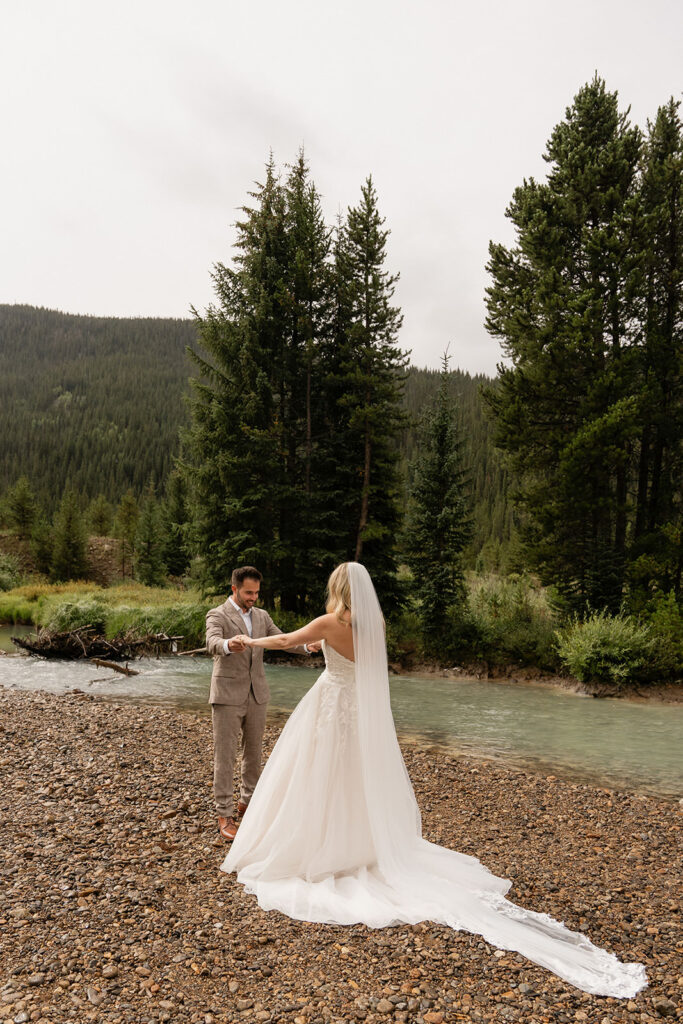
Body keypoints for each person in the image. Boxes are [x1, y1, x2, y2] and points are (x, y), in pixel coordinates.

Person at [221, 561, 647, 998]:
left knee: (317, 774)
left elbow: (289, 640)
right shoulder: (374, 625)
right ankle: (359, 844)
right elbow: (346, 659)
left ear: (337, 589)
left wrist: (247, 639)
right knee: (350, 778)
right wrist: (318, 648)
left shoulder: (332, 621)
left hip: (330, 706)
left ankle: (317, 847)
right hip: (357, 711)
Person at [205, 565, 319, 841]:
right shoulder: (217, 614)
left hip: (258, 695)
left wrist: (305, 647)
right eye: (248, 592)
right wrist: (228, 645)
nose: (253, 597)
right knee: (226, 755)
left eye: (256, 592)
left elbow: (281, 640)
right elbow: (212, 642)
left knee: (254, 754)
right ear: (234, 589)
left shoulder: (262, 616)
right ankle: (225, 814)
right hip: (227, 695)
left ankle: (249, 805)